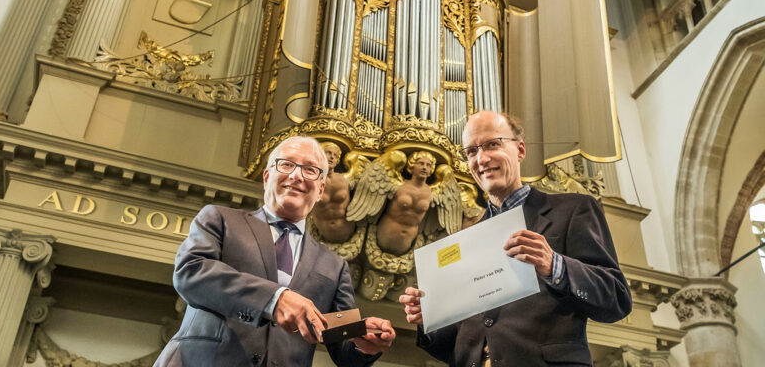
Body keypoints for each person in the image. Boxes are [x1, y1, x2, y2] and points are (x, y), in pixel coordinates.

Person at [398, 111, 631, 366]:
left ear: (520, 150)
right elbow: (464, 343)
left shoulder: (573, 209)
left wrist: (555, 265)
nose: (481, 159)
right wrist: (430, 318)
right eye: (471, 151)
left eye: (492, 144)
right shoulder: (466, 240)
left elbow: (616, 298)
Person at [155, 136, 396, 366]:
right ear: (267, 176)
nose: (296, 175)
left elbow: (342, 345)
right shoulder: (219, 219)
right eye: (287, 164)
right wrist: (274, 298)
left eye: (310, 169)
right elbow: (190, 273)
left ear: (321, 190)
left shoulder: (334, 265)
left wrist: (364, 342)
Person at [311, 142, 354, 243]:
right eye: (328, 153)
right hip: (320, 238)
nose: (332, 157)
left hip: (349, 236)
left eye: (335, 156)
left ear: (338, 161)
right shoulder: (311, 180)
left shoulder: (345, 179)